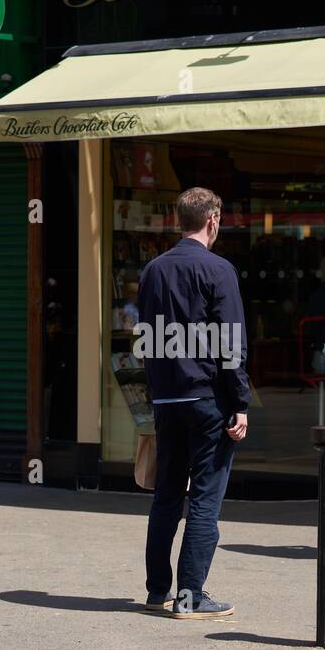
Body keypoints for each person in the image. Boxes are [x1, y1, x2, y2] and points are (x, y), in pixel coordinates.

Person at [136, 187, 250, 618]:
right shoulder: (218, 270)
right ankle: (190, 595)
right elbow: (230, 342)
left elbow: (144, 337)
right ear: (213, 220)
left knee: (166, 495)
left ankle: (156, 590)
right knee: (204, 499)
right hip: (207, 399)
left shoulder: (153, 270)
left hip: (167, 397)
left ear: (179, 219)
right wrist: (239, 401)